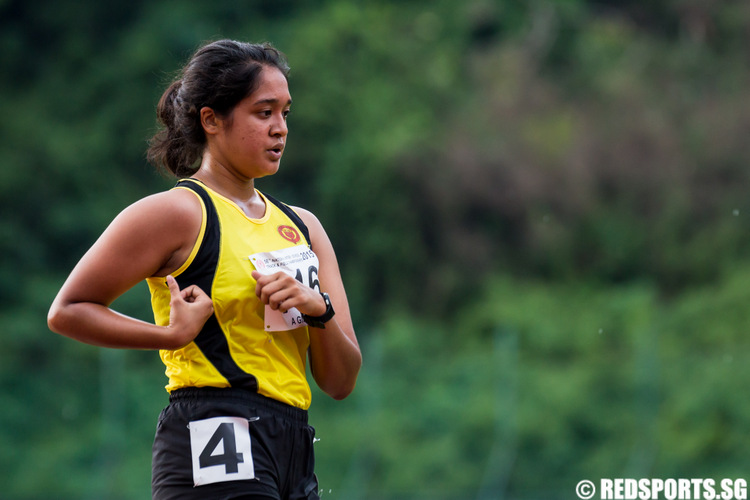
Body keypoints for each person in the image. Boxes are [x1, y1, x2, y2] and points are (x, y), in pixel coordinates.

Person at [47, 39, 362, 500]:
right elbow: (68, 309)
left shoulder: (304, 228)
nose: (280, 130)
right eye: (264, 112)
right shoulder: (178, 213)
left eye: (285, 114)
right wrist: (170, 336)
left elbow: (341, 381)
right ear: (211, 120)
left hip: (294, 443)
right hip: (217, 428)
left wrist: (321, 311)